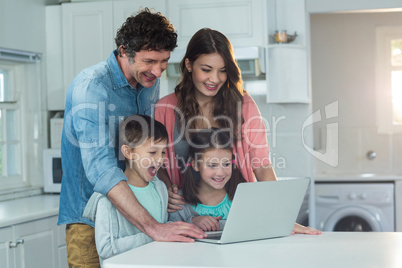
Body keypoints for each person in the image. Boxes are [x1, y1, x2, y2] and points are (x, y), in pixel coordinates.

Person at [58, 8, 204, 268]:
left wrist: (166, 187)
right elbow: (101, 168)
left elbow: (147, 143)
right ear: (124, 50)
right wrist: (155, 228)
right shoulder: (91, 87)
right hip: (89, 219)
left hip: (136, 210)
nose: (158, 71)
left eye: (163, 62)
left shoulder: (148, 81)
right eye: (150, 61)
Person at [155, 28, 320, 235]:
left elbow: (262, 165)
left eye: (222, 70)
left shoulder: (244, 105)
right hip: (186, 217)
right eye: (206, 69)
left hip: (238, 213)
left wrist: (281, 217)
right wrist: (168, 188)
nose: (214, 79)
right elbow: (156, 163)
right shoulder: (165, 108)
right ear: (189, 65)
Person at [84, 115, 170, 265]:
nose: (159, 160)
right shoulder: (108, 197)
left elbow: (166, 227)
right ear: (128, 152)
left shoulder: (160, 188)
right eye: (152, 152)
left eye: (163, 152)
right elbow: (106, 248)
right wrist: (155, 234)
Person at [169, 128, 246, 231]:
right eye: (212, 165)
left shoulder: (241, 197)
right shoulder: (177, 201)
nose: (220, 172)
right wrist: (192, 222)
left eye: (226, 164)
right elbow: (168, 231)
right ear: (195, 165)